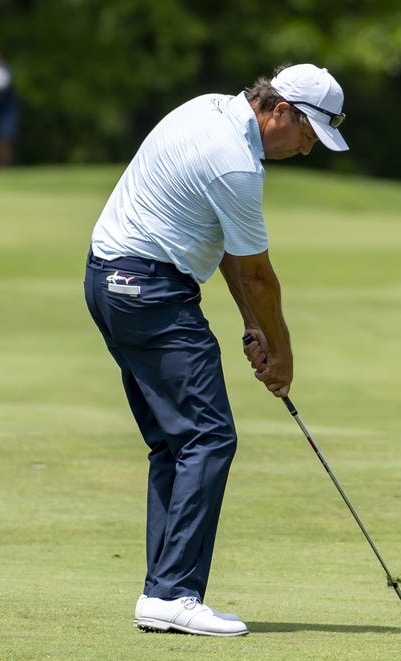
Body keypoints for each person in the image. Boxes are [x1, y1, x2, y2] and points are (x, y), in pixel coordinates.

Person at [84, 64, 348, 637]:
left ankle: (162, 591)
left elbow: (230, 249)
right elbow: (257, 274)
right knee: (208, 437)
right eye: (308, 133)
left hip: (110, 280)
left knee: (177, 443)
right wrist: (282, 355)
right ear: (279, 110)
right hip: (149, 288)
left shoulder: (209, 109)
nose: (307, 149)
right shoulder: (233, 160)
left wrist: (255, 327)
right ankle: (174, 593)